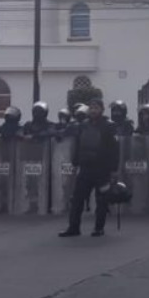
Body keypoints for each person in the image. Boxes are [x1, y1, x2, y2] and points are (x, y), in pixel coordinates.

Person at [59, 98, 119, 238]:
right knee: (77, 199)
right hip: (85, 168)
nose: (93, 110)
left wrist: (114, 169)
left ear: (102, 110)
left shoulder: (109, 126)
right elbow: (78, 144)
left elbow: (115, 149)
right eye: (91, 108)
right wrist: (75, 161)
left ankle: (99, 228)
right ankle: (73, 227)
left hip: (102, 168)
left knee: (101, 200)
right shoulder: (83, 125)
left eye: (96, 108)